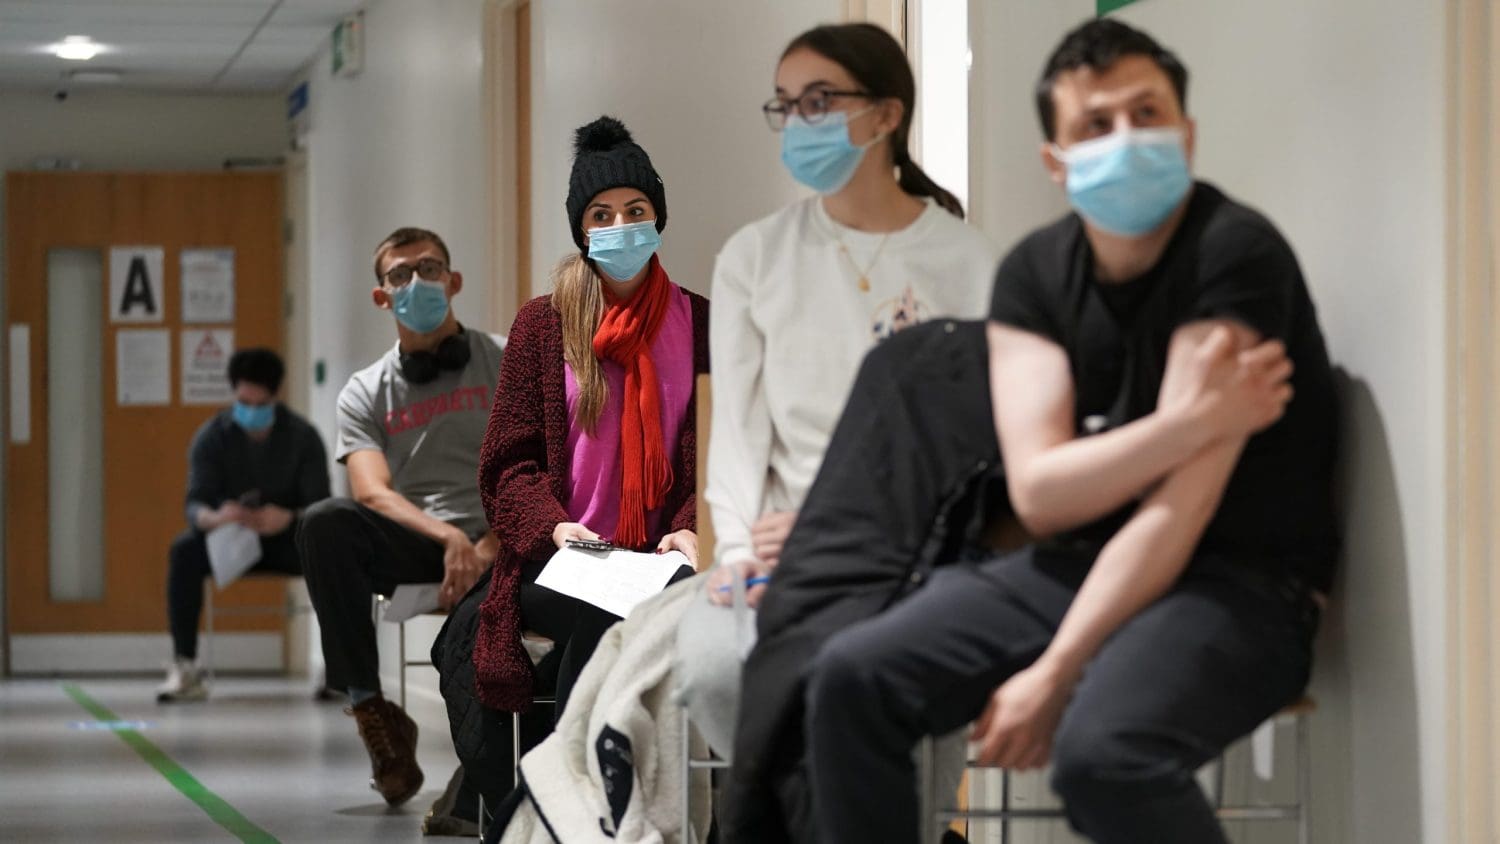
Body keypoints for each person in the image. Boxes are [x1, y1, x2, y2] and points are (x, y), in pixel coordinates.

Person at [772, 19, 1337, 844]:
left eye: (1147, 115)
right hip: (1071, 563)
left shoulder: (1234, 253)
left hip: (1238, 581)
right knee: (852, 677)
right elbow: (1040, 495)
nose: (1127, 138)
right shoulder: (1036, 272)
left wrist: (1056, 671)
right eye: (1094, 126)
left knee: (1103, 755)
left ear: (1188, 132)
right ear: (1056, 160)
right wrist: (1194, 420)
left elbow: (1173, 510)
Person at [684, 21, 998, 760]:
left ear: (887, 115)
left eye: (820, 101)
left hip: (921, 545)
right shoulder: (754, 257)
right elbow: (738, 432)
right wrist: (735, 553)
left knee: (901, 683)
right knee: (713, 669)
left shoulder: (969, 262)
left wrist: (857, 533)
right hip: (775, 547)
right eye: (786, 105)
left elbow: (979, 448)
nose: (798, 123)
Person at [471, 115, 706, 723]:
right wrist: (554, 528)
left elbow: (720, 452)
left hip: (669, 559)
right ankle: (592, 794)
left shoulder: (703, 322)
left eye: (635, 210)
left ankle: (590, 797)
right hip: (566, 558)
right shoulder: (542, 324)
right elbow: (509, 464)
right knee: (610, 618)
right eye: (601, 215)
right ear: (581, 229)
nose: (621, 226)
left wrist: (690, 525)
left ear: (657, 217)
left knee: (651, 618)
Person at [296, 226, 505, 807]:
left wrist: (487, 540)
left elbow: (538, 466)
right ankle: (373, 710)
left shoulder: (506, 360)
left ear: (454, 281)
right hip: (422, 540)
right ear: (381, 296)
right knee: (324, 522)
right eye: (399, 275)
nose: (417, 282)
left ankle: (486, 769)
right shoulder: (365, 391)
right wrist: (449, 541)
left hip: (504, 533)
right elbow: (371, 492)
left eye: (430, 268)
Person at [157, 348, 329, 703]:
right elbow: (196, 503)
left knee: (333, 550)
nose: (249, 409)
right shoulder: (212, 436)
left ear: (275, 396)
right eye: (242, 401)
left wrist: (289, 517)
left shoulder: (303, 437)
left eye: (258, 402)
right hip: (230, 539)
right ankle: (185, 665)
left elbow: (322, 507)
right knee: (184, 551)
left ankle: (340, 668)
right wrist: (217, 517)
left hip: (288, 540)